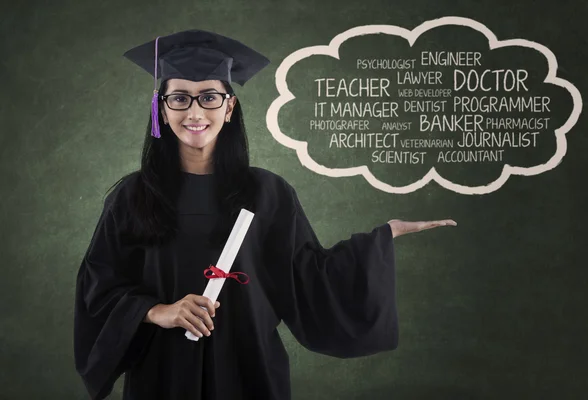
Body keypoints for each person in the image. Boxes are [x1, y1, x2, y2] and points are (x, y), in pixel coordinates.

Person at [73, 29, 456, 400]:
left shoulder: (267, 193)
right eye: (179, 99)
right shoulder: (133, 196)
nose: (194, 111)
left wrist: (381, 238)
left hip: (249, 365)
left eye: (208, 97)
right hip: (165, 369)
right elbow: (99, 284)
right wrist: (159, 311)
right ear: (162, 107)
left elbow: (308, 275)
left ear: (229, 107)